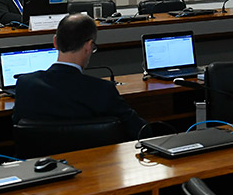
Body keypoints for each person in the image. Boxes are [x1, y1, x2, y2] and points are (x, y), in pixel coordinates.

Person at [14, 13, 147, 139]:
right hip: (93, 161)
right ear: (89, 46)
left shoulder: (25, 84)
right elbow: (139, 130)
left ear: (55, 42)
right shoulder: (103, 90)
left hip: (39, 161)